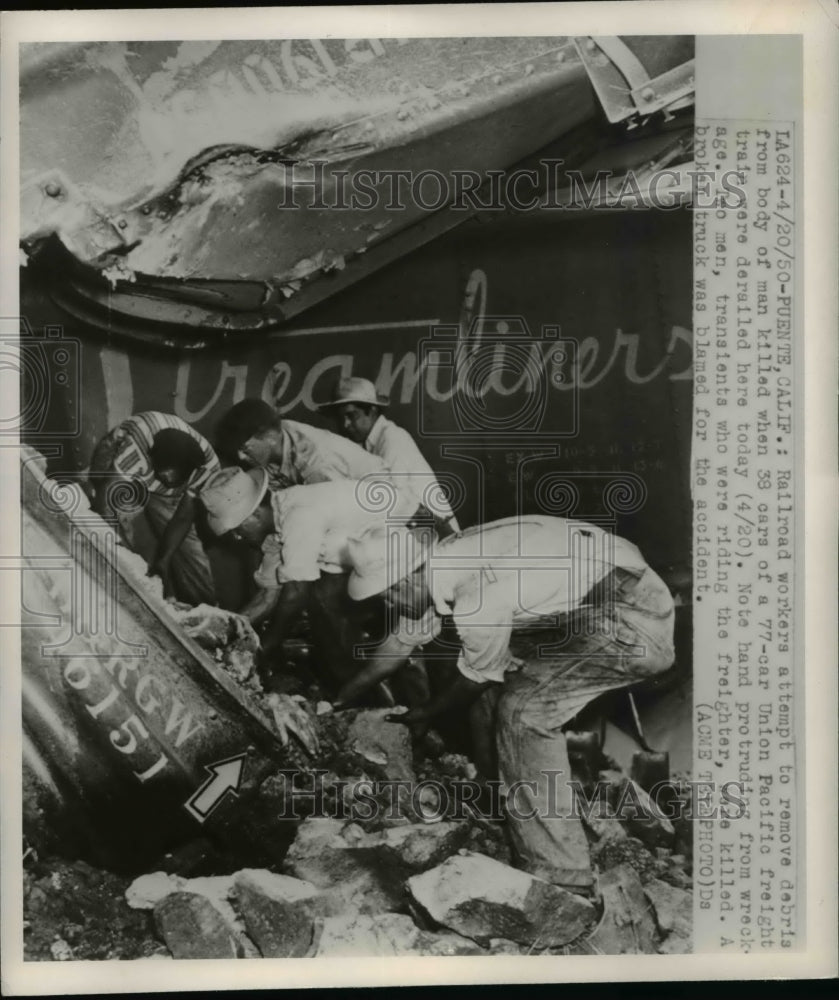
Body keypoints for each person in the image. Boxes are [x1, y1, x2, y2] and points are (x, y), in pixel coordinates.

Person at [336, 514, 675, 893]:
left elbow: (474, 680)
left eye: (388, 594)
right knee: (496, 672)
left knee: (525, 711)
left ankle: (562, 871)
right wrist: (338, 700)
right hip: (588, 601)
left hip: (633, 619)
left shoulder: (477, 594)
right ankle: (504, 797)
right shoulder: (443, 565)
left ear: (409, 577)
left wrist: (425, 715)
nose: (388, 603)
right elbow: (400, 645)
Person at [199, 466, 427, 704]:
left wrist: (264, 648)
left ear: (254, 515)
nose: (237, 537)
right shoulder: (276, 527)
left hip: (409, 546)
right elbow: (267, 596)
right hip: (363, 563)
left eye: (236, 530)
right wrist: (221, 630)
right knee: (326, 611)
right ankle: (353, 692)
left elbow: (296, 594)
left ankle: (394, 703)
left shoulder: (299, 516)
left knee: (406, 641)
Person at [89, 412, 219, 604]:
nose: (166, 479)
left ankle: (208, 611)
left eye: (173, 477)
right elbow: (108, 501)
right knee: (119, 541)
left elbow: (183, 517)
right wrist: (118, 552)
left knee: (191, 553)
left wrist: (164, 560)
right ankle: (127, 598)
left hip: (170, 490)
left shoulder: (208, 468)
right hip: (124, 465)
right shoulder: (136, 451)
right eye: (162, 474)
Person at [320, 376, 459, 538]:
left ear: (371, 411)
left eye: (352, 416)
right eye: (340, 418)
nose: (345, 425)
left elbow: (396, 503)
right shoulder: (368, 446)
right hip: (419, 536)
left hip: (441, 539)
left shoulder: (392, 439)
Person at [215, 398, 388, 490]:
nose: (240, 457)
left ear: (270, 437)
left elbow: (333, 513)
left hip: (384, 498)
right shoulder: (275, 439)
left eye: (245, 449)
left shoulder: (315, 459)